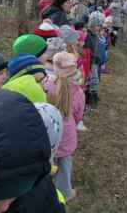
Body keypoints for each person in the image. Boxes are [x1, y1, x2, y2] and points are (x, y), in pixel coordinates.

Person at [43, 51, 85, 202]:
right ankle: (65, 192)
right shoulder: (79, 91)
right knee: (65, 164)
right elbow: (78, 115)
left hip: (49, 132)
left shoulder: (46, 85)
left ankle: (45, 192)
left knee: (48, 163)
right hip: (67, 135)